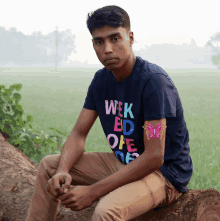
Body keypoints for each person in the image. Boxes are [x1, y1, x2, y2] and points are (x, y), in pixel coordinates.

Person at [26, 5, 193, 221]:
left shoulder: (153, 82)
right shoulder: (101, 81)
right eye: (99, 41)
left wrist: (92, 192)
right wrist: (63, 171)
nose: (107, 49)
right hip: (125, 162)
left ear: (130, 38)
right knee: (50, 166)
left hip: (163, 174)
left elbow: (154, 156)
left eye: (115, 38)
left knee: (106, 211)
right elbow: (78, 134)